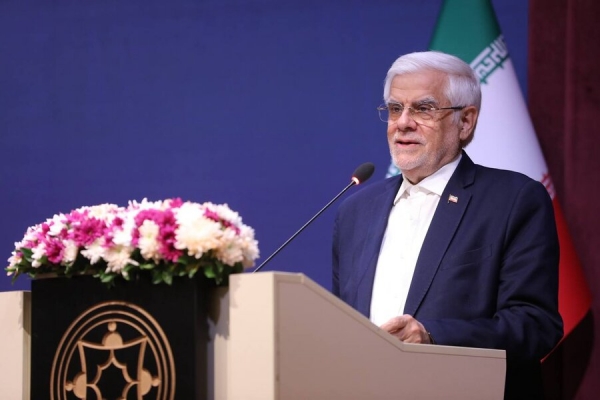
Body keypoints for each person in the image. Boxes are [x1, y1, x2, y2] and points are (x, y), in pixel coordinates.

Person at [332, 51, 563, 399]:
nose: (403, 123)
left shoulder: (514, 199)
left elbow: (535, 325)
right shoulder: (355, 211)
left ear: (465, 121)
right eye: (395, 108)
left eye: (423, 109)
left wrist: (432, 337)